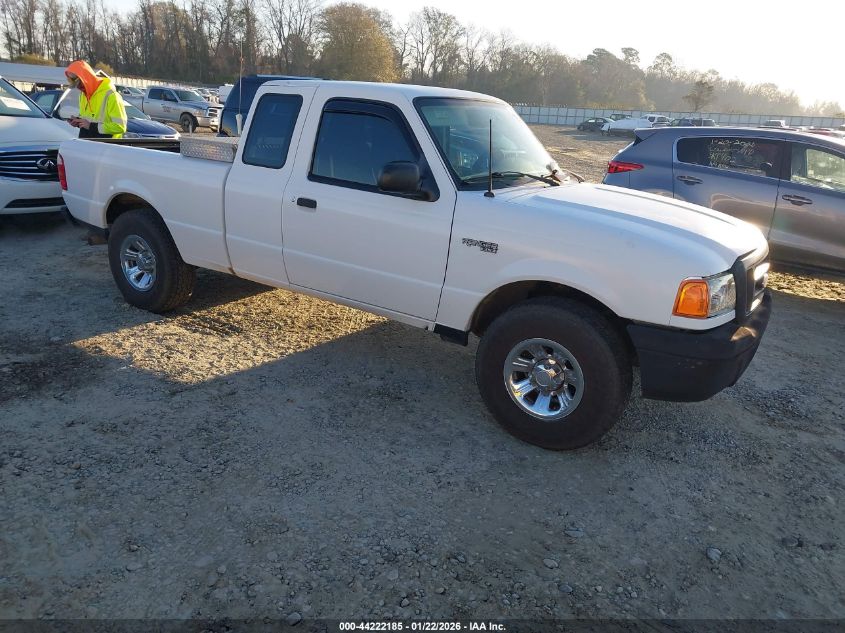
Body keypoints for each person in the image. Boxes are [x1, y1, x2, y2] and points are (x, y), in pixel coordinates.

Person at [64, 60, 127, 139]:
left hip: (107, 145)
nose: (77, 87)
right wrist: (79, 122)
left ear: (85, 78)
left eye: (77, 82)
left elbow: (120, 127)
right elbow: (89, 121)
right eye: (73, 82)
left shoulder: (111, 95)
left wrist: (91, 126)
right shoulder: (83, 95)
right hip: (87, 143)